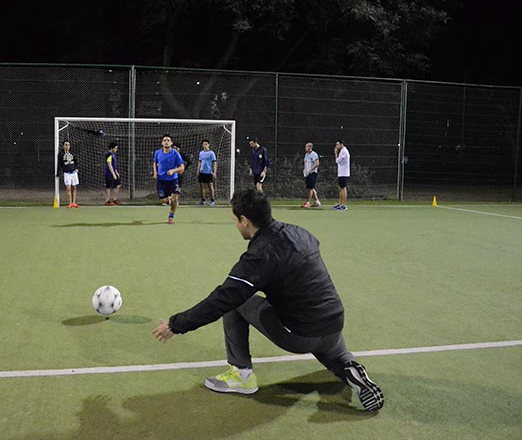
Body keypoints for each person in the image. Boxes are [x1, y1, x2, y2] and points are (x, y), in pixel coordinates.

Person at [152, 189, 384, 412]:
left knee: (236, 300)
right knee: (334, 353)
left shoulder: (260, 255)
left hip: (300, 335)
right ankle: (351, 369)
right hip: (334, 322)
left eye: (234, 219)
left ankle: (241, 376)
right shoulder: (300, 232)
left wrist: (175, 324)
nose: (234, 224)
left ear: (245, 220)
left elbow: (221, 300)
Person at [153, 134, 185, 224]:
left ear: (171, 142)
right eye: (165, 140)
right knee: (163, 200)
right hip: (161, 180)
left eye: (168, 140)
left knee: (174, 198)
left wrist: (173, 171)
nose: (166, 141)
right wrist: (155, 172)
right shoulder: (157, 153)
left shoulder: (175, 154)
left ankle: (171, 216)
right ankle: (168, 201)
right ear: (162, 143)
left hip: (173, 180)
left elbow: (182, 167)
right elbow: (155, 163)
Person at [57, 140, 79, 208]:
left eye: (68, 145)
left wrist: (76, 168)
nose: (67, 146)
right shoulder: (61, 154)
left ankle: (74, 202)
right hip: (67, 173)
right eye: (66, 145)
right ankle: (70, 203)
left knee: (74, 187)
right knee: (68, 188)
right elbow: (60, 164)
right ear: (63, 146)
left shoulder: (72, 153)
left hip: (74, 172)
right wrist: (58, 172)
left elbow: (75, 161)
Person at [197, 139, 217, 205]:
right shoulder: (201, 153)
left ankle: (212, 200)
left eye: (206, 144)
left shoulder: (211, 153)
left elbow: (214, 163)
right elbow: (199, 162)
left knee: (210, 186)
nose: (205, 145)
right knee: (202, 186)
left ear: (208, 145)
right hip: (202, 172)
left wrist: (214, 172)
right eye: (203, 144)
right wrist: (198, 171)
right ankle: (203, 200)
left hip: (209, 172)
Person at [302, 142, 321, 208]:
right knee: (311, 188)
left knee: (310, 188)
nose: (305, 148)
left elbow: (317, 163)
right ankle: (317, 201)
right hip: (307, 174)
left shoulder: (314, 154)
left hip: (312, 173)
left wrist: (311, 170)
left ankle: (308, 202)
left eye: (307, 147)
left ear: (310, 147)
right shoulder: (306, 154)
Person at [334, 140, 350, 211]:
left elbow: (337, 161)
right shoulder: (342, 151)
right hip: (341, 173)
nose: (337, 146)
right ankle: (340, 204)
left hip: (344, 173)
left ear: (341, 144)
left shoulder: (344, 151)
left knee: (343, 188)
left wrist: (336, 153)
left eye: (338, 144)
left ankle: (344, 205)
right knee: (340, 188)